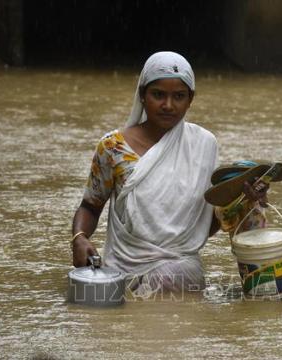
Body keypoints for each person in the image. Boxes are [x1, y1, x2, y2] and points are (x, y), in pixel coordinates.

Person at [71, 51, 267, 294]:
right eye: (158, 95)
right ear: (142, 95)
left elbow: (202, 225)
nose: (168, 105)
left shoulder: (203, 144)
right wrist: (79, 237)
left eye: (179, 96)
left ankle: (262, 291)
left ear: (190, 99)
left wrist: (242, 199)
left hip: (181, 271)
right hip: (122, 269)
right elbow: (90, 206)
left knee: (168, 279)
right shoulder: (113, 147)